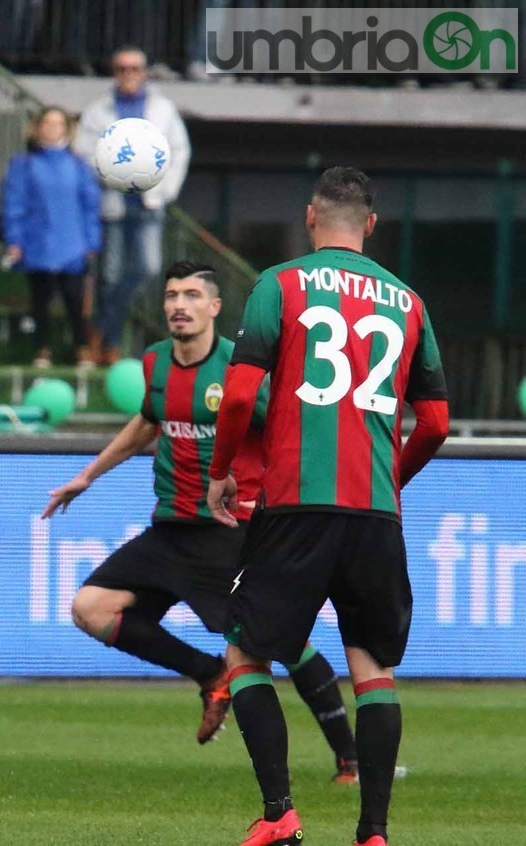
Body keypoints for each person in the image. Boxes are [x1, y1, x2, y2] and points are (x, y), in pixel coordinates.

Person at [206, 167, 449, 846]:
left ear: (310, 216)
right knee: (373, 671)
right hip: (375, 515)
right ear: (371, 225)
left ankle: (281, 813)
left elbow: (237, 392)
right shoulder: (409, 301)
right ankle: (372, 833)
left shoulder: (278, 284)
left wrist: (222, 470)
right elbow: (433, 421)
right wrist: (391, 478)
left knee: (244, 656)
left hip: (295, 509)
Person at [45, 261, 360, 778]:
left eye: (192, 295)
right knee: (89, 608)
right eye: (171, 295)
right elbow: (148, 421)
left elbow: (287, 431)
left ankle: (349, 756)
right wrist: (89, 475)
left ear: (214, 308)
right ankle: (210, 674)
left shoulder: (241, 370)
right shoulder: (155, 363)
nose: (178, 305)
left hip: (227, 532)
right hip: (169, 530)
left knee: (283, 640)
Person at [74, 45, 190, 364]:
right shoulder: (98, 111)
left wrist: (164, 191)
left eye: (134, 68)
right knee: (109, 275)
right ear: (114, 72)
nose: (128, 75)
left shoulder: (162, 109)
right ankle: (109, 341)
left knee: (148, 267)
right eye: (122, 69)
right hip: (111, 204)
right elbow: (83, 152)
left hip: (149, 203)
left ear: (144, 72)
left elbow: (179, 151)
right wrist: (113, 174)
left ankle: (101, 328)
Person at [1, 106, 101, 369]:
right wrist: (14, 240)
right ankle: (42, 349)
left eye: (58, 124)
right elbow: (14, 203)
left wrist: (91, 241)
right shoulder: (23, 164)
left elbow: (90, 204)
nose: (52, 128)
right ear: (37, 128)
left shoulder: (78, 165)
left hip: (72, 241)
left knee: (74, 298)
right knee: (41, 299)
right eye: (47, 123)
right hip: (38, 242)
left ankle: (81, 347)